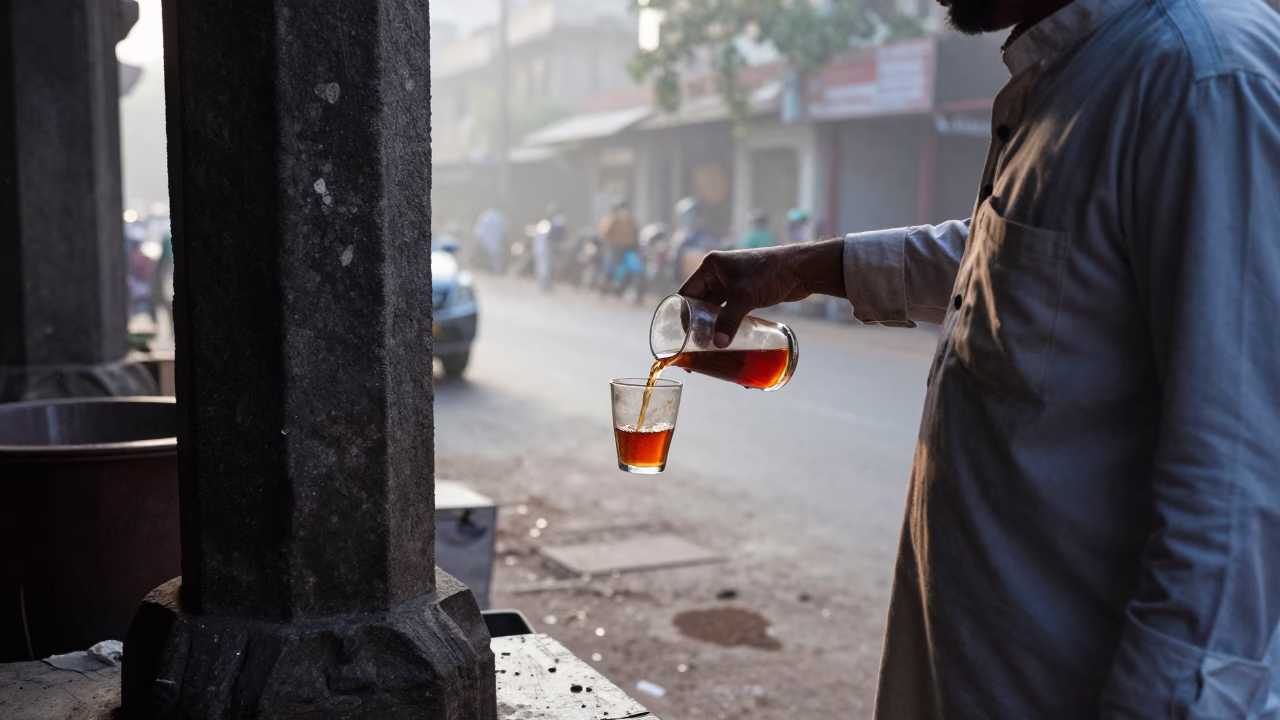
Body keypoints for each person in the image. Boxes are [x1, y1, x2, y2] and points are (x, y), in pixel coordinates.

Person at [678, 0, 1280, 717]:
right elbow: (1019, 259)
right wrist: (804, 268)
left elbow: (1236, 489)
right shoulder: (1084, 71)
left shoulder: (1199, 78)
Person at [598, 200, 639, 285]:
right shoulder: (630, 218)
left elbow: (605, 232)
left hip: (616, 246)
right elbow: (636, 231)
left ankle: (606, 281)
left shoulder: (612, 218)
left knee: (610, 263)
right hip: (629, 247)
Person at [473, 205, 508, 274]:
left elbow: (478, 231)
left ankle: (492, 272)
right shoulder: (498, 216)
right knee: (493, 257)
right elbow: (505, 230)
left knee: (491, 257)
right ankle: (493, 271)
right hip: (495, 241)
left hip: (489, 241)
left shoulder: (486, 216)